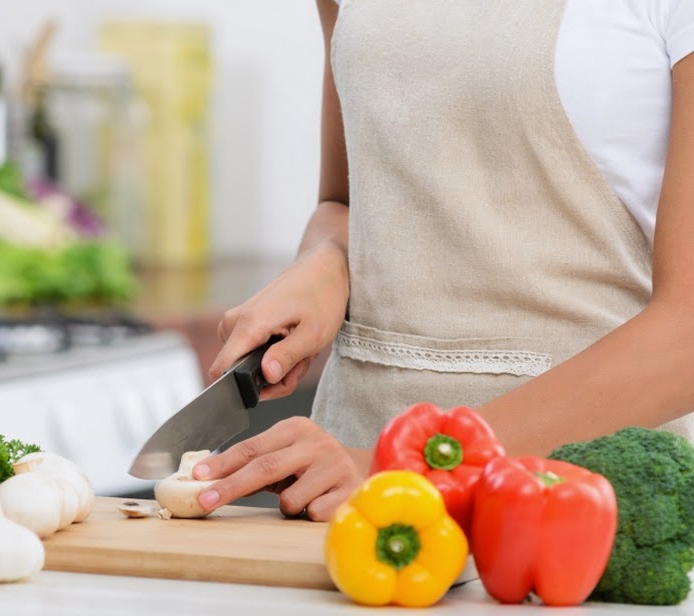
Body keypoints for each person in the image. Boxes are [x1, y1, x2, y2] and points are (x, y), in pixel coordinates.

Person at [190, 0, 694, 521]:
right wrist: (326, 260)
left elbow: (687, 337)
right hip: (350, 502)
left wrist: (405, 469)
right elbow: (345, 203)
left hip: (571, 514)